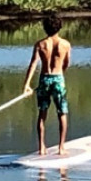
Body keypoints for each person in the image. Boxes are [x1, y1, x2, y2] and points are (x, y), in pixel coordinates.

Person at [21, 17, 72, 156]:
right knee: (62, 113)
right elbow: (66, 63)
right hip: (58, 79)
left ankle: (42, 147)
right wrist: (60, 75)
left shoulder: (40, 44)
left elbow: (33, 64)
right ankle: (61, 147)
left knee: (42, 113)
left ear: (45, 28)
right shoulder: (65, 44)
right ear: (59, 27)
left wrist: (27, 84)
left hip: (44, 79)